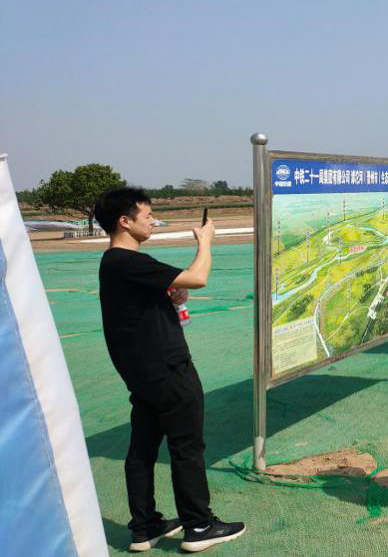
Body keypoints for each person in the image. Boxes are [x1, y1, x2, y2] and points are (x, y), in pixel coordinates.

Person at [93, 188, 245, 553]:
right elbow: (198, 277)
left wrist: (175, 293)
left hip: (142, 373)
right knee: (186, 446)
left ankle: (144, 526)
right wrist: (205, 241)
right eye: (147, 216)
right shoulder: (128, 261)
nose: (152, 221)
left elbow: (169, 290)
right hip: (168, 368)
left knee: (143, 448)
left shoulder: (113, 264)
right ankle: (200, 525)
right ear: (124, 221)